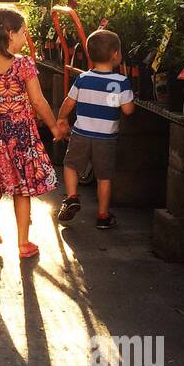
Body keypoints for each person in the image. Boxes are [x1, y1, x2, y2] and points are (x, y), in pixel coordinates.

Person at [0, 7, 65, 258]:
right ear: (11, 35)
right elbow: (38, 101)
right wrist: (55, 126)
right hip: (21, 135)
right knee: (22, 188)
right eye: (24, 32)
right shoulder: (23, 65)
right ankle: (23, 243)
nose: (26, 37)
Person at [55, 28, 136, 229]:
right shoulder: (121, 82)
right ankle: (102, 216)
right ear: (116, 55)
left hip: (81, 133)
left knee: (71, 165)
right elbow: (127, 110)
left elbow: (69, 101)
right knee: (104, 177)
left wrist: (62, 118)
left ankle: (72, 197)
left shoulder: (83, 79)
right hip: (106, 137)